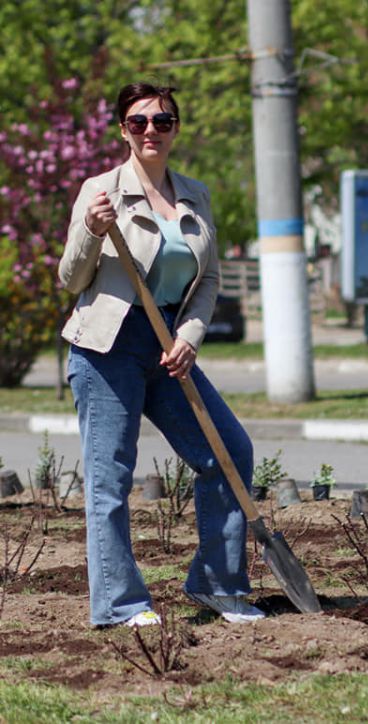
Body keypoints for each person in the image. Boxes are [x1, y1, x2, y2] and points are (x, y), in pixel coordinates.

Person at [59, 82, 264, 627]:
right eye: (138, 121)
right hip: (107, 347)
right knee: (111, 478)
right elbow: (71, 278)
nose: (151, 130)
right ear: (123, 129)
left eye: (162, 120)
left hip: (170, 344)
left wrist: (190, 337)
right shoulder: (101, 190)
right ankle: (120, 605)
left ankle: (217, 585)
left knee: (229, 453)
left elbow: (209, 276)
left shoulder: (194, 193)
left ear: (175, 126)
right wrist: (89, 231)